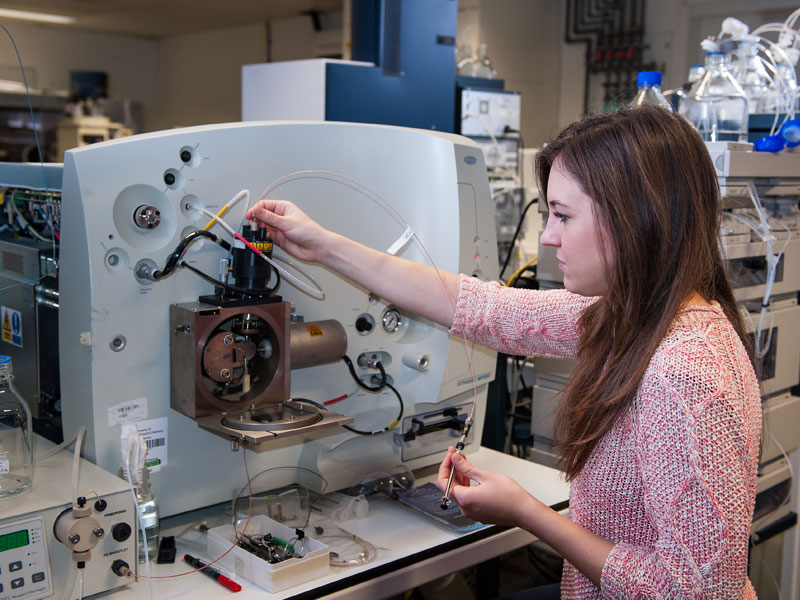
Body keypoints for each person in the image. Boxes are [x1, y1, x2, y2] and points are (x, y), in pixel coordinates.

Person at [246, 105, 760, 598]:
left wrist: (527, 511)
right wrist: (322, 245)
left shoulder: (685, 373)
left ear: (635, 220)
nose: (549, 237)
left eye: (562, 215)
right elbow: (483, 307)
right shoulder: (632, 317)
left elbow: (694, 593)